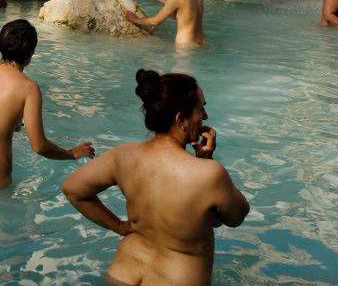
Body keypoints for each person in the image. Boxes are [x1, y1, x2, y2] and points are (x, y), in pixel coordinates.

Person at [62, 70, 249, 286]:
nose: (205, 117)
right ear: (181, 120)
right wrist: (207, 161)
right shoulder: (209, 173)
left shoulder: (123, 156)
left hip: (121, 275)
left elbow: (73, 189)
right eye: (201, 109)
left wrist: (119, 226)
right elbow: (237, 216)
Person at [0, 19, 93, 190]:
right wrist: (72, 153)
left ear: (1, 44)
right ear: (30, 54)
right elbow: (39, 146)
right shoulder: (29, 88)